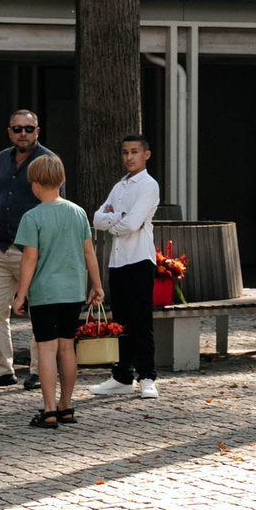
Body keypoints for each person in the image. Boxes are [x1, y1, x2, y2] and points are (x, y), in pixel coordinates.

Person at [10, 153, 101, 429]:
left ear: (35, 184)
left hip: (46, 293)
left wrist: (20, 294)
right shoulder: (78, 212)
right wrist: (97, 285)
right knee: (67, 349)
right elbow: (89, 253)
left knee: (47, 351)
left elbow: (30, 259)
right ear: (61, 180)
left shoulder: (32, 217)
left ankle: (49, 410)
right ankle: (67, 406)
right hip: (73, 291)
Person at [0, 109, 57, 391]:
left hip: (32, 249)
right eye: (17, 129)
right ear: (9, 132)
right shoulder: (1, 158)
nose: (23, 133)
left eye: (28, 128)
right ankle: (3, 370)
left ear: (38, 131)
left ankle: (38, 370)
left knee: (38, 311)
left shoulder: (48, 161)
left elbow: (54, 204)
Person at [87, 133, 161, 398]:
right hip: (117, 261)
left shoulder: (149, 185)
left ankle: (147, 376)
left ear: (146, 155)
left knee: (141, 319)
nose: (129, 157)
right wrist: (120, 218)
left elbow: (134, 223)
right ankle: (121, 376)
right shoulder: (119, 187)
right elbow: (97, 219)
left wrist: (115, 221)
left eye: (134, 152)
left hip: (139, 258)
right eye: (125, 153)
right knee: (120, 320)